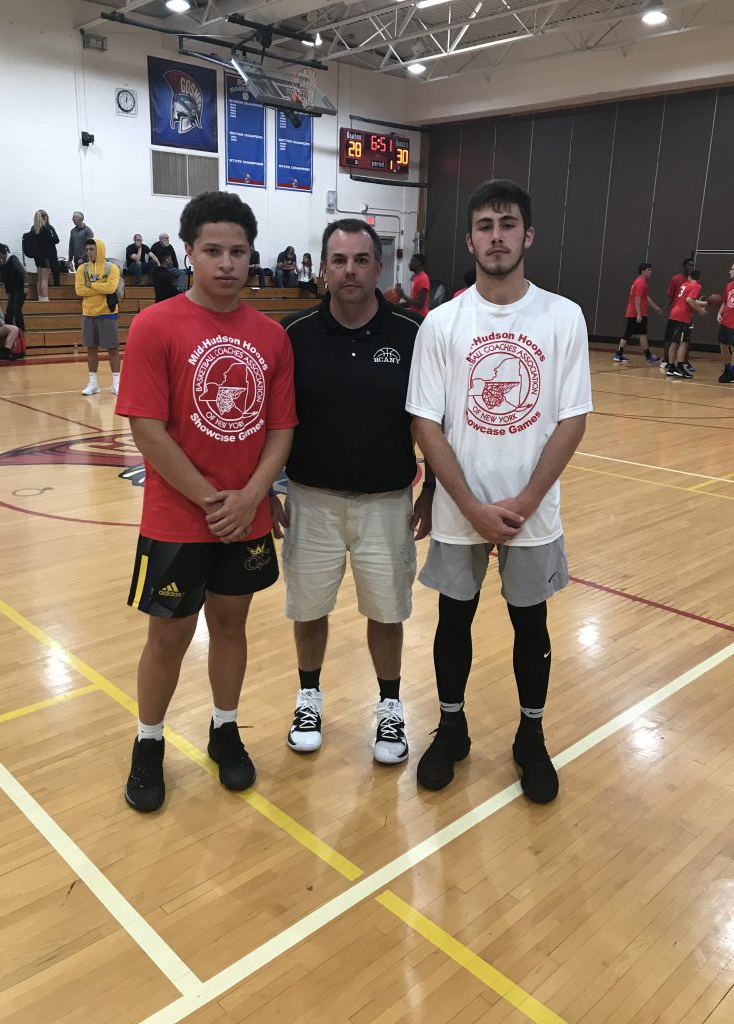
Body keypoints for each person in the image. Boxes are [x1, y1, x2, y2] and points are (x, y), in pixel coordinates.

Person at [406, 178, 592, 802]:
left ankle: (530, 737)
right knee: (452, 619)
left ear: (527, 235)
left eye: (507, 224)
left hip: (530, 512)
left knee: (530, 624)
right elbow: (425, 422)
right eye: (484, 226)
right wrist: (466, 504)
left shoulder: (563, 317)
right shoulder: (441, 322)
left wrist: (525, 501)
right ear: (470, 239)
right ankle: (452, 727)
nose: (496, 236)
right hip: (464, 508)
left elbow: (572, 419)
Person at [115, 190, 297, 812]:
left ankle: (225, 728)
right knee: (167, 637)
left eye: (238, 251)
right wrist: (214, 500)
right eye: (212, 250)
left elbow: (281, 431)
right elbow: (146, 428)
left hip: (245, 516)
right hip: (177, 517)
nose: (226, 262)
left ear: (252, 257)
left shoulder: (271, 337)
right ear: (188, 250)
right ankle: (148, 742)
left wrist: (250, 498)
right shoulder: (154, 324)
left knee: (231, 625)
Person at [271, 218, 433, 765]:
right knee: (308, 607)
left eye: (361, 260)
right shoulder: (293, 334)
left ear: (378, 267)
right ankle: (308, 696)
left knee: (387, 613)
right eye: (338, 260)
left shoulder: (412, 334)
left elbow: (430, 421)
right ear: (321, 269)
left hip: (387, 502)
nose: (349, 271)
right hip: (311, 499)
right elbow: (274, 421)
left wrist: (432, 488)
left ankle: (390, 708)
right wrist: (272, 487)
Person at [75, 239, 121, 396]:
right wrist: (99, 287)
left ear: (99, 249)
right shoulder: (82, 268)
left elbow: (111, 288)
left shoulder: (112, 268)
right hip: (88, 313)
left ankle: (116, 383)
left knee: (113, 348)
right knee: (91, 349)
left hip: (107, 313)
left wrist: (91, 285)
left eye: (92, 249)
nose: (89, 252)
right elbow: (79, 290)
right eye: (87, 249)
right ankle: (93, 383)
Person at [613, 263, 662, 363]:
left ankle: (619, 354)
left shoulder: (639, 281)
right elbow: (637, 298)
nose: (650, 272)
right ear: (643, 271)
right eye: (649, 270)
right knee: (643, 334)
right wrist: (639, 314)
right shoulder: (641, 283)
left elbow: (646, 297)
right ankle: (649, 357)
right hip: (637, 313)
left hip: (633, 312)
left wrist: (655, 307)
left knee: (628, 333)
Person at [665, 270, 707, 378]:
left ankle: (671, 367)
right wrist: (700, 310)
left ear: (689, 277)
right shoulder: (697, 285)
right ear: (699, 278)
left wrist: (705, 303)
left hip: (674, 313)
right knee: (684, 342)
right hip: (683, 316)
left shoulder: (685, 284)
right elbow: (689, 300)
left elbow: (689, 299)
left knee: (674, 342)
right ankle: (680, 367)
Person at [662, 256, 694, 365]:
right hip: (675, 313)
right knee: (670, 338)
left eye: (693, 265)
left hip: (687, 314)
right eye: (689, 265)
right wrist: (666, 312)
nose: (691, 267)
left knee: (686, 340)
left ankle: (685, 361)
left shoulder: (693, 281)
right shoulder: (675, 279)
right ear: (684, 266)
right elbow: (670, 297)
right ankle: (666, 360)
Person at [0, 245, 28, 341]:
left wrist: (26, 285)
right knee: (9, 310)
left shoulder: (13, 259)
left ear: (0, 253)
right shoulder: (4, 264)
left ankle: (22, 330)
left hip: (21, 289)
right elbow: (1, 276)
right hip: (12, 290)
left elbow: (23, 272)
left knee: (16, 309)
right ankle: (8, 328)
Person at [30, 210, 60, 300]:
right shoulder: (46, 229)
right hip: (47, 256)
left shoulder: (33, 229)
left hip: (37, 257)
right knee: (44, 279)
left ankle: (40, 297)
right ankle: (45, 298)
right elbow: (55, 240)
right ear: (44, 217)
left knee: (39, 279)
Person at [717, 264, 734, 383]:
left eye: (732, 269)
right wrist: (719, 313)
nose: (729, 271)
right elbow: (724, 302)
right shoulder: (729, 285)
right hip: (726, 321)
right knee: (723, 345)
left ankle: (732, 372)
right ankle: (727, 369)